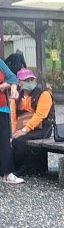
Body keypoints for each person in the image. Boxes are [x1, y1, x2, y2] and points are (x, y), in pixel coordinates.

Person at [12, 69, 55, 176]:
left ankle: (25, 167)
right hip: (24, 128)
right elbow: (13, 118)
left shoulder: (44, 94)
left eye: (32, 79)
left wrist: (24, 130)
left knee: (20, 140)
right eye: (26, 80)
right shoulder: (16, 98)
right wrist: (12, 133)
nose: (30, 82)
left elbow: (40, 115)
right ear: (19, 82)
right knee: (11, 139)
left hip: (43, 128)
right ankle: (12, 167)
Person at [0, 56, 22, 184]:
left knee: (4, 141)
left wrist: (11, 87)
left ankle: (7, 173)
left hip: (2, 108)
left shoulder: (0, 63)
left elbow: (13, 77)